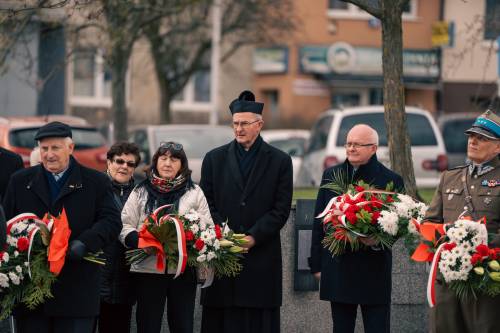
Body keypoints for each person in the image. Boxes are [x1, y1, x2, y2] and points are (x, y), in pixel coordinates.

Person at [2, 121, 121, 333]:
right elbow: (7, 225)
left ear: (71, 148)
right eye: (44, 148)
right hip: (31, 295)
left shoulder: (95, 182)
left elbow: (112, 221)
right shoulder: (20, 181)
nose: (49, 154)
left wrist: (85, 242)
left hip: (77, 292)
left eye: (55, 148)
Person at [199, 90, 293, 333]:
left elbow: (280, 209)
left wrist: (253, 237)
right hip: (222, 254)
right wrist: (225, 234)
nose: (239, 129)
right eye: (235, 124)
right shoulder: (214, 159)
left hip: (261, 257)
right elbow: (206, 203)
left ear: (259, 125)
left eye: (244, 123)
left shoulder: (280, 161)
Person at [309, 124, 404, 333]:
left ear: (373, 148)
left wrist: (377, 240)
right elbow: (319, 222)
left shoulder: (391, 180)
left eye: (357, 144)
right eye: (348, 143)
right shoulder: (331, 174)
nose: (351, 148)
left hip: (374, 271)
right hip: (339, 268)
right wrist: (316, 265)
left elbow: (398, 226)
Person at [120, 142, 213, 333]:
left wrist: (191, 237)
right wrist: (140, 241)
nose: (168, 163)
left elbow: (207, 226)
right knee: (148, 325)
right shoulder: (141, 191)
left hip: (183, 271)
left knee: (182, 325)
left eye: (174, 159)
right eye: (163, 158)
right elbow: (124, 225)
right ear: (155, 162)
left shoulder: (194, 192)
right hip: (148, 269)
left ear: (182, 164)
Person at [424, 109, 500, 333]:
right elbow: (428, 224)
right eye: (471, 136)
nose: (473, 141)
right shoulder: (450, 177)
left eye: (482, 138)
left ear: (498, 146)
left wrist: (482, 243)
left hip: (485, 280)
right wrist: (445, 235)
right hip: (448, 279)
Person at [98, 142, 141, 333]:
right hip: (97, 273)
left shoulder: (141, 194)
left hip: (126, 276)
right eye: (119, 161)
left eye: (130, 164)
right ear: (109, 162)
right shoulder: (95, 187)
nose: (124, 166)